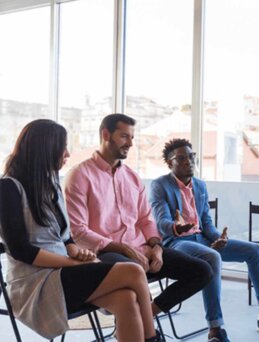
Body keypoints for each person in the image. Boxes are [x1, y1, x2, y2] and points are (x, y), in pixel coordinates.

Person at [0, 119, 161, 341]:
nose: (66, 154)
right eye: (62, 147)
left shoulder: (50, 184)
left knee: (126, 299)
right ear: (45, 149)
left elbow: (66, 237)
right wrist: (72, 262)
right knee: (133, 272)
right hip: (35, 283)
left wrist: (76, 251)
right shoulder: (8, 188)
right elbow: (21, 251)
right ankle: (153, 338)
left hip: (62, 272)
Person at [64, 114, 212, 319]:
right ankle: (143, 331)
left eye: (132, 137)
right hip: (104, 253)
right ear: (105, 134)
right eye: (125, 136)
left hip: (142, 249)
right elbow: (78, 231)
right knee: (133, 271)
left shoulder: (132, 177)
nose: (131, 143)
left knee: (202, 271)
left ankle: (146, 318)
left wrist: (157, 248)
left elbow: (146, 220)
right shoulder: (80, 175)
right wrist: (125, 249)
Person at [149, 138, 259, 342]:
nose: (188, 161)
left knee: (254, 250)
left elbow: (206, 223)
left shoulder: (200, 185)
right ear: (169, 162)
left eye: (191, 156)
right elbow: (161, 220)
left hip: (203, 239)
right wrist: (176, 226)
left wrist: (220, 238)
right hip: (178, 243)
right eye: (181, 158)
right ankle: (215, 330)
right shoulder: (160, 185)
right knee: (212, 257)